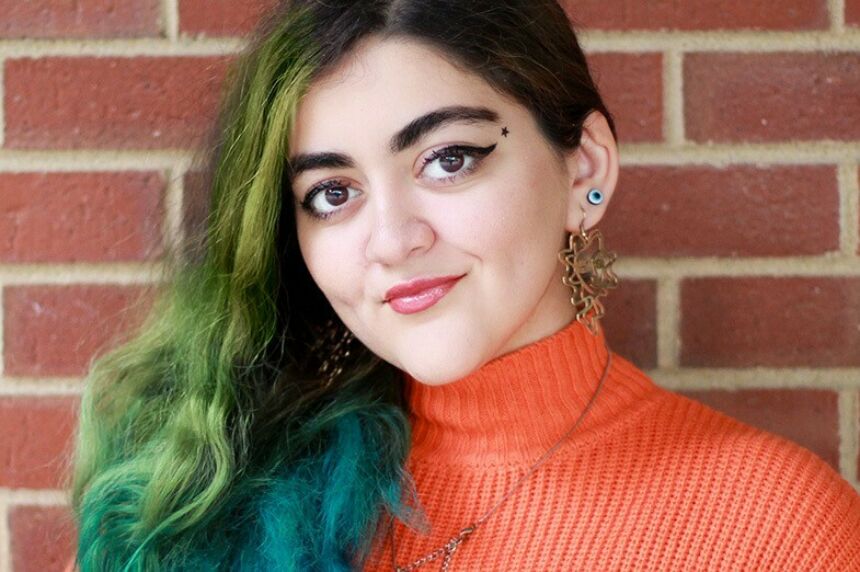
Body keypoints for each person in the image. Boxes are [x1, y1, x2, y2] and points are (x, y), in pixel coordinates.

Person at [64, 0, 860, 570]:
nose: (392, 239)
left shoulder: (775, 525)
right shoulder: (199, 496)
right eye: (332, 194)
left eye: (447, 158)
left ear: (584, 167)